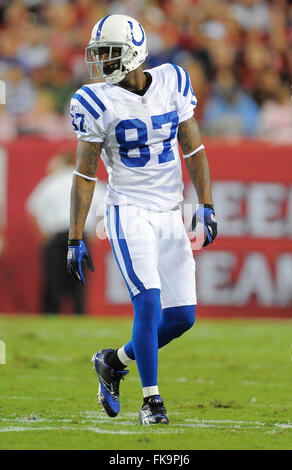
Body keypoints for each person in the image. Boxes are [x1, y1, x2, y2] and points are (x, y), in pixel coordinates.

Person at [67, 14, 217, 425]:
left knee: (182, 317)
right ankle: (152, 401)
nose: (101, 61)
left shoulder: (172, 81)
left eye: (110, 53)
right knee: (148, 302)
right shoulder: (96, 100)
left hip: (170, 210)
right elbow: (85, 175)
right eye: (99, 53)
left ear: (134, 53)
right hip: (127, 209)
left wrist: (206, 203)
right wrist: (74, 236)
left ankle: (112, 361)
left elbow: (194, 150)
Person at [27, 149, 105, 314]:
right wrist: (97, 233)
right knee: (79, 280)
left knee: (53, 280)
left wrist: (43, 234)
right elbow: (106, 207)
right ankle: (79, 314)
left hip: (56, 236)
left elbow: (32, 207)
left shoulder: (51, 181)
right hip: (81, 236)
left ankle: (51, 314)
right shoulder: (88, 180)